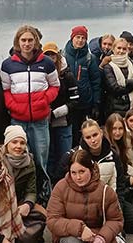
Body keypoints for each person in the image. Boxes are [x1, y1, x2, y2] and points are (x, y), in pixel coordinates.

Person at [54, 119, 133, 235]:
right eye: (88, 137)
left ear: (101, 132)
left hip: (108, 202)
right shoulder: (72, 157)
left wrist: (116, 208)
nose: (93, 140)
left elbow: (120, 184)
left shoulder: (113, 154)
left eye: (95, 135)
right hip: (81, 205)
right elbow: (58, 184)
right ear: (83, 138)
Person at [1, 25, 60, 204]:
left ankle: (43, 196)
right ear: (18, 42)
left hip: (40, 120)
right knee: (17, 159)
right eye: (23, 40)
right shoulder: (8, 64)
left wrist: (44, 100)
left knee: (41, 159)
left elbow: (55, 86)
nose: (27, 44)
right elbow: (5, 90)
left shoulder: (46, 63)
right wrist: (13, 105)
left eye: (30, 40)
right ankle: (19, 196)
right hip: (18, 121)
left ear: (36, 42)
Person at [47, 149, 124, 243]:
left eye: (82, 172)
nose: (78, 177)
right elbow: (53, 220)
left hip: (98, 236)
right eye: (73, 173)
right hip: (70, 235)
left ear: (91, 170)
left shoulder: (105, 191)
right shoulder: (61, 188)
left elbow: (116, 220)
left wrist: (102, 237)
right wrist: (80, 229)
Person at [3, 125, 47, 242]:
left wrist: (28, 204)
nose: (18, 146)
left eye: (22, 143)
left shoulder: (29, 162)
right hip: (0, 204)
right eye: (14, 142)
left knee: (43, 216)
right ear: (7, 144)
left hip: (20, 203)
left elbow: (31, 190)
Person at [42, 41, 79, 175]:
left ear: (58, 56)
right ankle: (51, 186)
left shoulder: (67, 75)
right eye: (47, 56)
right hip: (46, 124)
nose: (50, 59)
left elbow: (75, 101)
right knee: (49, 158)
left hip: (63, 123)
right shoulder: (41, 75)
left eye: (53, 55)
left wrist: (56, 113)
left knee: (65, 157)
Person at [63, 25, 101, 145]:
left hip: (85, 103)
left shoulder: (90, 58)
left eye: (83, 38)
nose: (80, 40)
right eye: (77, 37)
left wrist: (96, 104)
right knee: (69, 133)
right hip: (68, 102)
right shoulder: (63, 56)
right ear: (72, 38)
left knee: (84, 132)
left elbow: (96, 82)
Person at [103, 38, 133, 117]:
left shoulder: (131, 63)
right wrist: (132, 86)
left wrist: (125, 82)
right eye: (119, 48)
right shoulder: (109, 66)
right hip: (115, 108)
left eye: (124, 49)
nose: (121, 51)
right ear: (113, 49)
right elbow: (114, 88)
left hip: (131, 107)